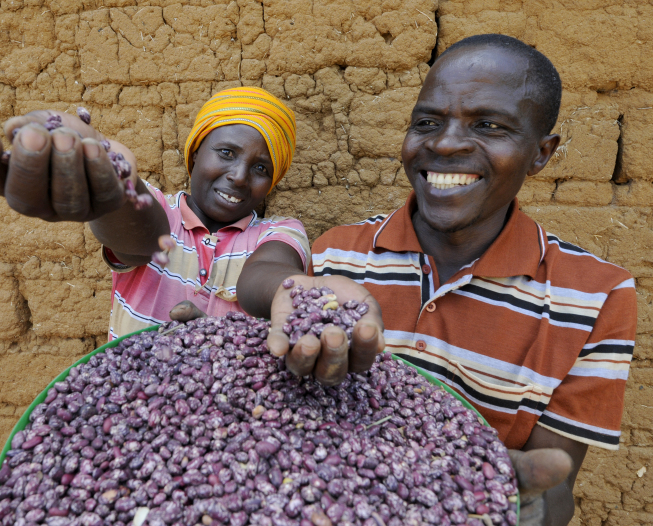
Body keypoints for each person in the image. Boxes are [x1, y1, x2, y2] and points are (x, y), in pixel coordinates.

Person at [264, 35, 636, 525]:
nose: (444, 143)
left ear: (541, 153)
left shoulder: (594, 296)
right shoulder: (338, 255)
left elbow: (556, 485)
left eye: (488, 125)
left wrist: (517, 503)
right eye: (427, 123)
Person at [0, 87, 312, 339]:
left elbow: (265, 274)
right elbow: (138, 234)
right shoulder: (158, 209)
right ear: (194, 155)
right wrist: (115, 194)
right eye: (225, 152)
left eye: (261, 169)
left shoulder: (280, 231)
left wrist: (293, 293)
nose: (239, 176)